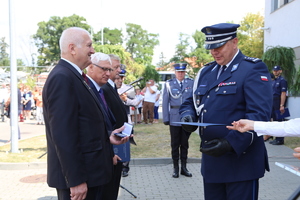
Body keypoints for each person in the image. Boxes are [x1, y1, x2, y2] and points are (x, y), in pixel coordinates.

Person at [179, 23, 272, 200]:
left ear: (235, 42)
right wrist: (187, 115)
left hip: (241, 162)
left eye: (219, 46)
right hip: (213, 162)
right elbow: (191, 101)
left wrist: (231, 143)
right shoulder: (206, 72)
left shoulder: (252, 69)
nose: (214, 51)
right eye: (211, 47)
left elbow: (259, 115)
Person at [42, 27, 129, 200]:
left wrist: (107, 136)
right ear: (72, 48)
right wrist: (76, 180)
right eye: (89, 45)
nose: (93, 50)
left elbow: (83, 125)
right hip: (81, 180)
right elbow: (63, 135)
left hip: (91, 174)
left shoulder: (74, 76)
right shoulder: (62, 78)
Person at [101, 55, 131, 199]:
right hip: (112, 145)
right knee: (110, 189)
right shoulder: (104, 89)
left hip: (119, 143)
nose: (119, 70)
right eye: (117, 67)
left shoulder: (111, 87)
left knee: (113, 188)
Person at [162, 63, 194, 178]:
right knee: (175, 144)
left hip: (187, 117)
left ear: (185, 72)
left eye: (182, 72)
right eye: (178, 72)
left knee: (185, 144)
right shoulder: (169, 84)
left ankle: (184, 167)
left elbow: (194, 101)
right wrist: (166, 118)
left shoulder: (191, 83)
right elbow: (165, 102)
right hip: (174, 118)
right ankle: (175, 168)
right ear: (175, 72)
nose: (180, 74)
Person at [268, 65, 288, 145]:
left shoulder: (282, 80)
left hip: (279, 102)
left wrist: (282, 105)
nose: (275, 72)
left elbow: (283, 93)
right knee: (275, 121)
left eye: (277, 70)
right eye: (274, 70)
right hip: (273, 102)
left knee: (280, 121)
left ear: (280, 71)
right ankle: (276, 138)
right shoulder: (273, 81)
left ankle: (280, 139)